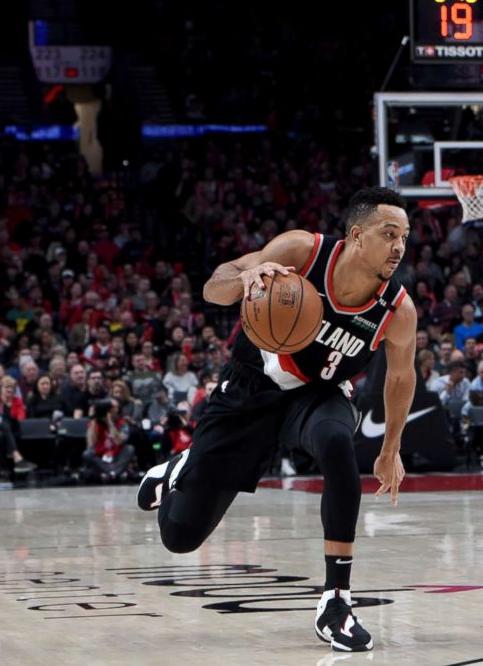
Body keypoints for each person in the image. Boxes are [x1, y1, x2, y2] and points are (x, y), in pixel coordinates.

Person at [136, 187, 416, 653]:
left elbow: (401, 379)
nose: (399, 247)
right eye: (389, 234)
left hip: (317, 395)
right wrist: (247, 279)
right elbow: (215, 284)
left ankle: (336, 604)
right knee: (179, 537)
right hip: (251, 386)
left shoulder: (397, 308)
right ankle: (182, 466)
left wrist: (390, 449)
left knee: (336, 447)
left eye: (404, 236)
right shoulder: (301, 251)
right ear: (356, 235)